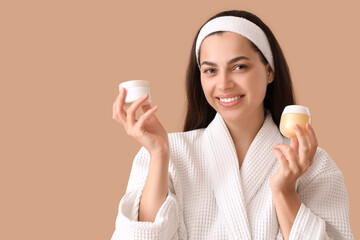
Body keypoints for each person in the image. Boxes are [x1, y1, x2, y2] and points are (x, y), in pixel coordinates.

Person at [111, 10, 353, 240]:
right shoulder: (170, 153)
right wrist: (159, 153)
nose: (224, 84)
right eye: (210, 70)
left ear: (269, 71)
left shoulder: (313, 164)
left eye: (239, 67)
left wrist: (285, 191)